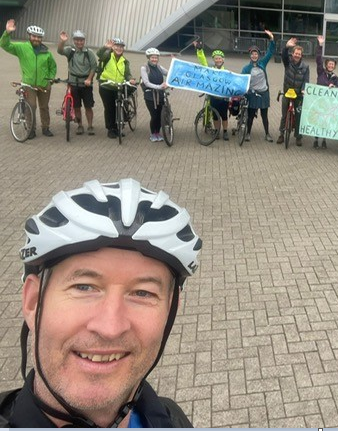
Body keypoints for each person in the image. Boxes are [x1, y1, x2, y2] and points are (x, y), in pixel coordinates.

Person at [0, 178, 202, 427]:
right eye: (84, 287)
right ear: (33, 302)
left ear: (171, 310)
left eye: (142, 293)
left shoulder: (172, 418)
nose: (110, 327)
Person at [1, 19, 57, 138]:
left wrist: (50, 79)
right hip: (29, 84)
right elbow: (4, 45)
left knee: (44, 107)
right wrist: (7, 33)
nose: (36, 39)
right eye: (34, 36)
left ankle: (46, 128)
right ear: (29, 36)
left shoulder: (46, 52)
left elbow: (53, 66)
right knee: (30, 106)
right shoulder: (22, 48)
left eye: (39, 37)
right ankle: (31, 129)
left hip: (44, 84)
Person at [57, 30, 98, 135]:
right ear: (74, 40)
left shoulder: (89, 53)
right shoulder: (70, 51)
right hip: (73, 83)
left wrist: (89, 79)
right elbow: (60, 51)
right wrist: (62, 41)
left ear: (84, 41)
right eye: (77, 40)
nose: (79, 42)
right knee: (76, 107)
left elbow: (94, 67)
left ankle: (90, 126)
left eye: (81, 40)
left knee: (88, 106)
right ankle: (80, 126)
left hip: (86, 84)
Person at [97, 38, 136, 139]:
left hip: (118, 86)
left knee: (118, 106)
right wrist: (105, 47)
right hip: (106, 85)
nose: (119, 48)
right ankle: (111, 129)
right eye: (117, 46)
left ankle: (118, 127)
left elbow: (127, 74)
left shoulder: (125, 61)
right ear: (113, 47)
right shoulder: (107, 55)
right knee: (109, 108)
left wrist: (130, 79)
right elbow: (99, 54)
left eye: (121, 47)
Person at [240, 29, 276, 142]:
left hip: (264, 93)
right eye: (252, 54)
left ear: (258, 55)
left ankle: (267, 134)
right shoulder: (246, 68)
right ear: (250, 55)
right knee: (250, 116)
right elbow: (242, 80)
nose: (254, 55)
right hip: (252, 94)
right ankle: (248, 134)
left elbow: (270, 52)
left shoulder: (262, 63)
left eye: (256, 54)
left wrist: (272, 39)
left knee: (264, 116)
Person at [194, 42, 230, 140]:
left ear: (223, 60)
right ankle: (217, 131)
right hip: (213, 97)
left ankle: (225, 131)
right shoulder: (210, 70)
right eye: (216, 58)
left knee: (224, 116)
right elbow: (203, 62)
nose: (218, 60)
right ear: (214, 60)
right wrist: (200, 50)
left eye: (220, 58)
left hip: (224, 97)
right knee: (215, 116)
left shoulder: (226, 72)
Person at [278, 38, 310, 146]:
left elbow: (306, 80)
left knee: (298, 115)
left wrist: (303, 89)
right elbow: (283, 56)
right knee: (284, 114)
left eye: (299, 54)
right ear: (293, 54)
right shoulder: (288, 63)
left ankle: (298, 137)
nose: (297, 55)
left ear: (301, 55)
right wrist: (286, 47)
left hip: (298, 94)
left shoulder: (305, 67)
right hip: (287, 92)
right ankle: (281, 134)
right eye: (295, 53)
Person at [314, 35, 338, 149]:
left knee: (325, 121)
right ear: (326, 65)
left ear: (334, 66)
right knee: (318, 120)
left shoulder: (335, 78)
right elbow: (318, 60)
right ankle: (316, 140)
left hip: (328, 104)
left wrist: (334, 86)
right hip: (319, 101)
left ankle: (324, 140)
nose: (330, 66)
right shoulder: (321, 72)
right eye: (329, 64)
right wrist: (320, 46)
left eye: (332, 65)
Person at [140, 47, 169, 142]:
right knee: (154, 115)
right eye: (152, 57)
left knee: (160, 115)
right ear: (148, 57)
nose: (154, 59)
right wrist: (159, 86)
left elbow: (169, 73)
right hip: (150, 96)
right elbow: (146, 82)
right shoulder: (144, 68)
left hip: (160, 95)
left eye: (156, 57)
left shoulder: (159, 67)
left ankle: (158, 132)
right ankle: (153, 133)